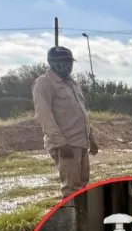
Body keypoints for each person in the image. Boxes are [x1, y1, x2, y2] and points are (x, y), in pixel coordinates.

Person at [32, 46, 99, 198]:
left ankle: (81, 218)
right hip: (66, 144)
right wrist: (61, 143)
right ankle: (71, 220)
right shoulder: (44, 83)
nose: (66, 65)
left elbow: (82, 113)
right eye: (62, 61)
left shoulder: (72, 84)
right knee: (71, 188)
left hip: (81, 142)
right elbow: (45, 116)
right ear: (51, 62)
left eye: (69, 62)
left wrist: (91, 138)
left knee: (82, 185)